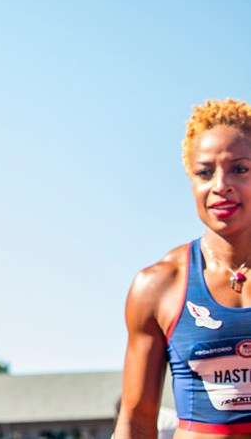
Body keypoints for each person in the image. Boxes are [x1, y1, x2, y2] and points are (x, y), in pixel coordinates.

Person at [115, 98, 251, 438]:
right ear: (191, 181)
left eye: (240, 168)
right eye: (205, 172)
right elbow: (135, 423)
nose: (221, 185)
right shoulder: (158, 285)